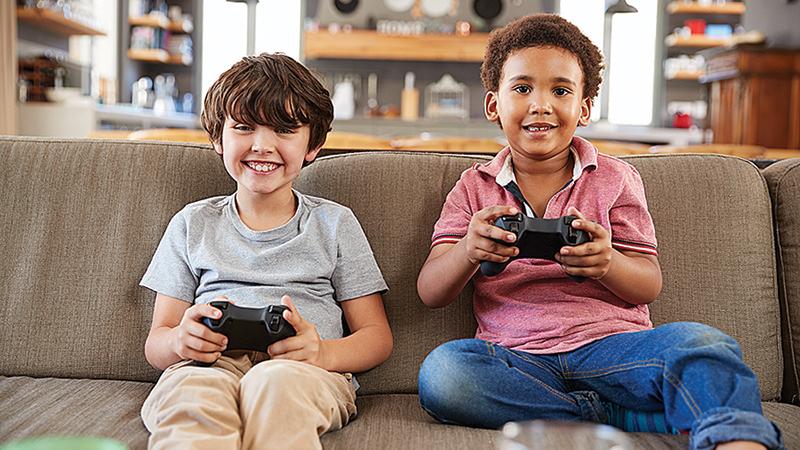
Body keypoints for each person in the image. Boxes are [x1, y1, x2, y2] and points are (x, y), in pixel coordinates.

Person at [415, 14, 782, 450]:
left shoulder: (616, 178)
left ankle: (737, 439)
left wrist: (607, 263)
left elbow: (648, 283)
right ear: (494, 105)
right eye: (522, 88)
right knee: (445, 373)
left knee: (703, 343)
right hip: (517, 358)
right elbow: (430, 291)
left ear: (584, 108)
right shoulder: (473, 187)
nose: (540, 104)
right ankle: (610, 415)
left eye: (561, 90)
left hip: (614, 349)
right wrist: (469, 251)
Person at [139, 53, 393, 450]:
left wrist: (322, 351)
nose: (262, 145)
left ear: (313, 145)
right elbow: (158, 341)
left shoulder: (335, 223)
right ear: (217, 139)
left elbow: (376, 337)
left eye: (284, 130)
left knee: (273, 385)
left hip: (302, 370)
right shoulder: (192, 223)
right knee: (192, 400)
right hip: (206, 367)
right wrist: (179, 342)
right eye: (243, 127)